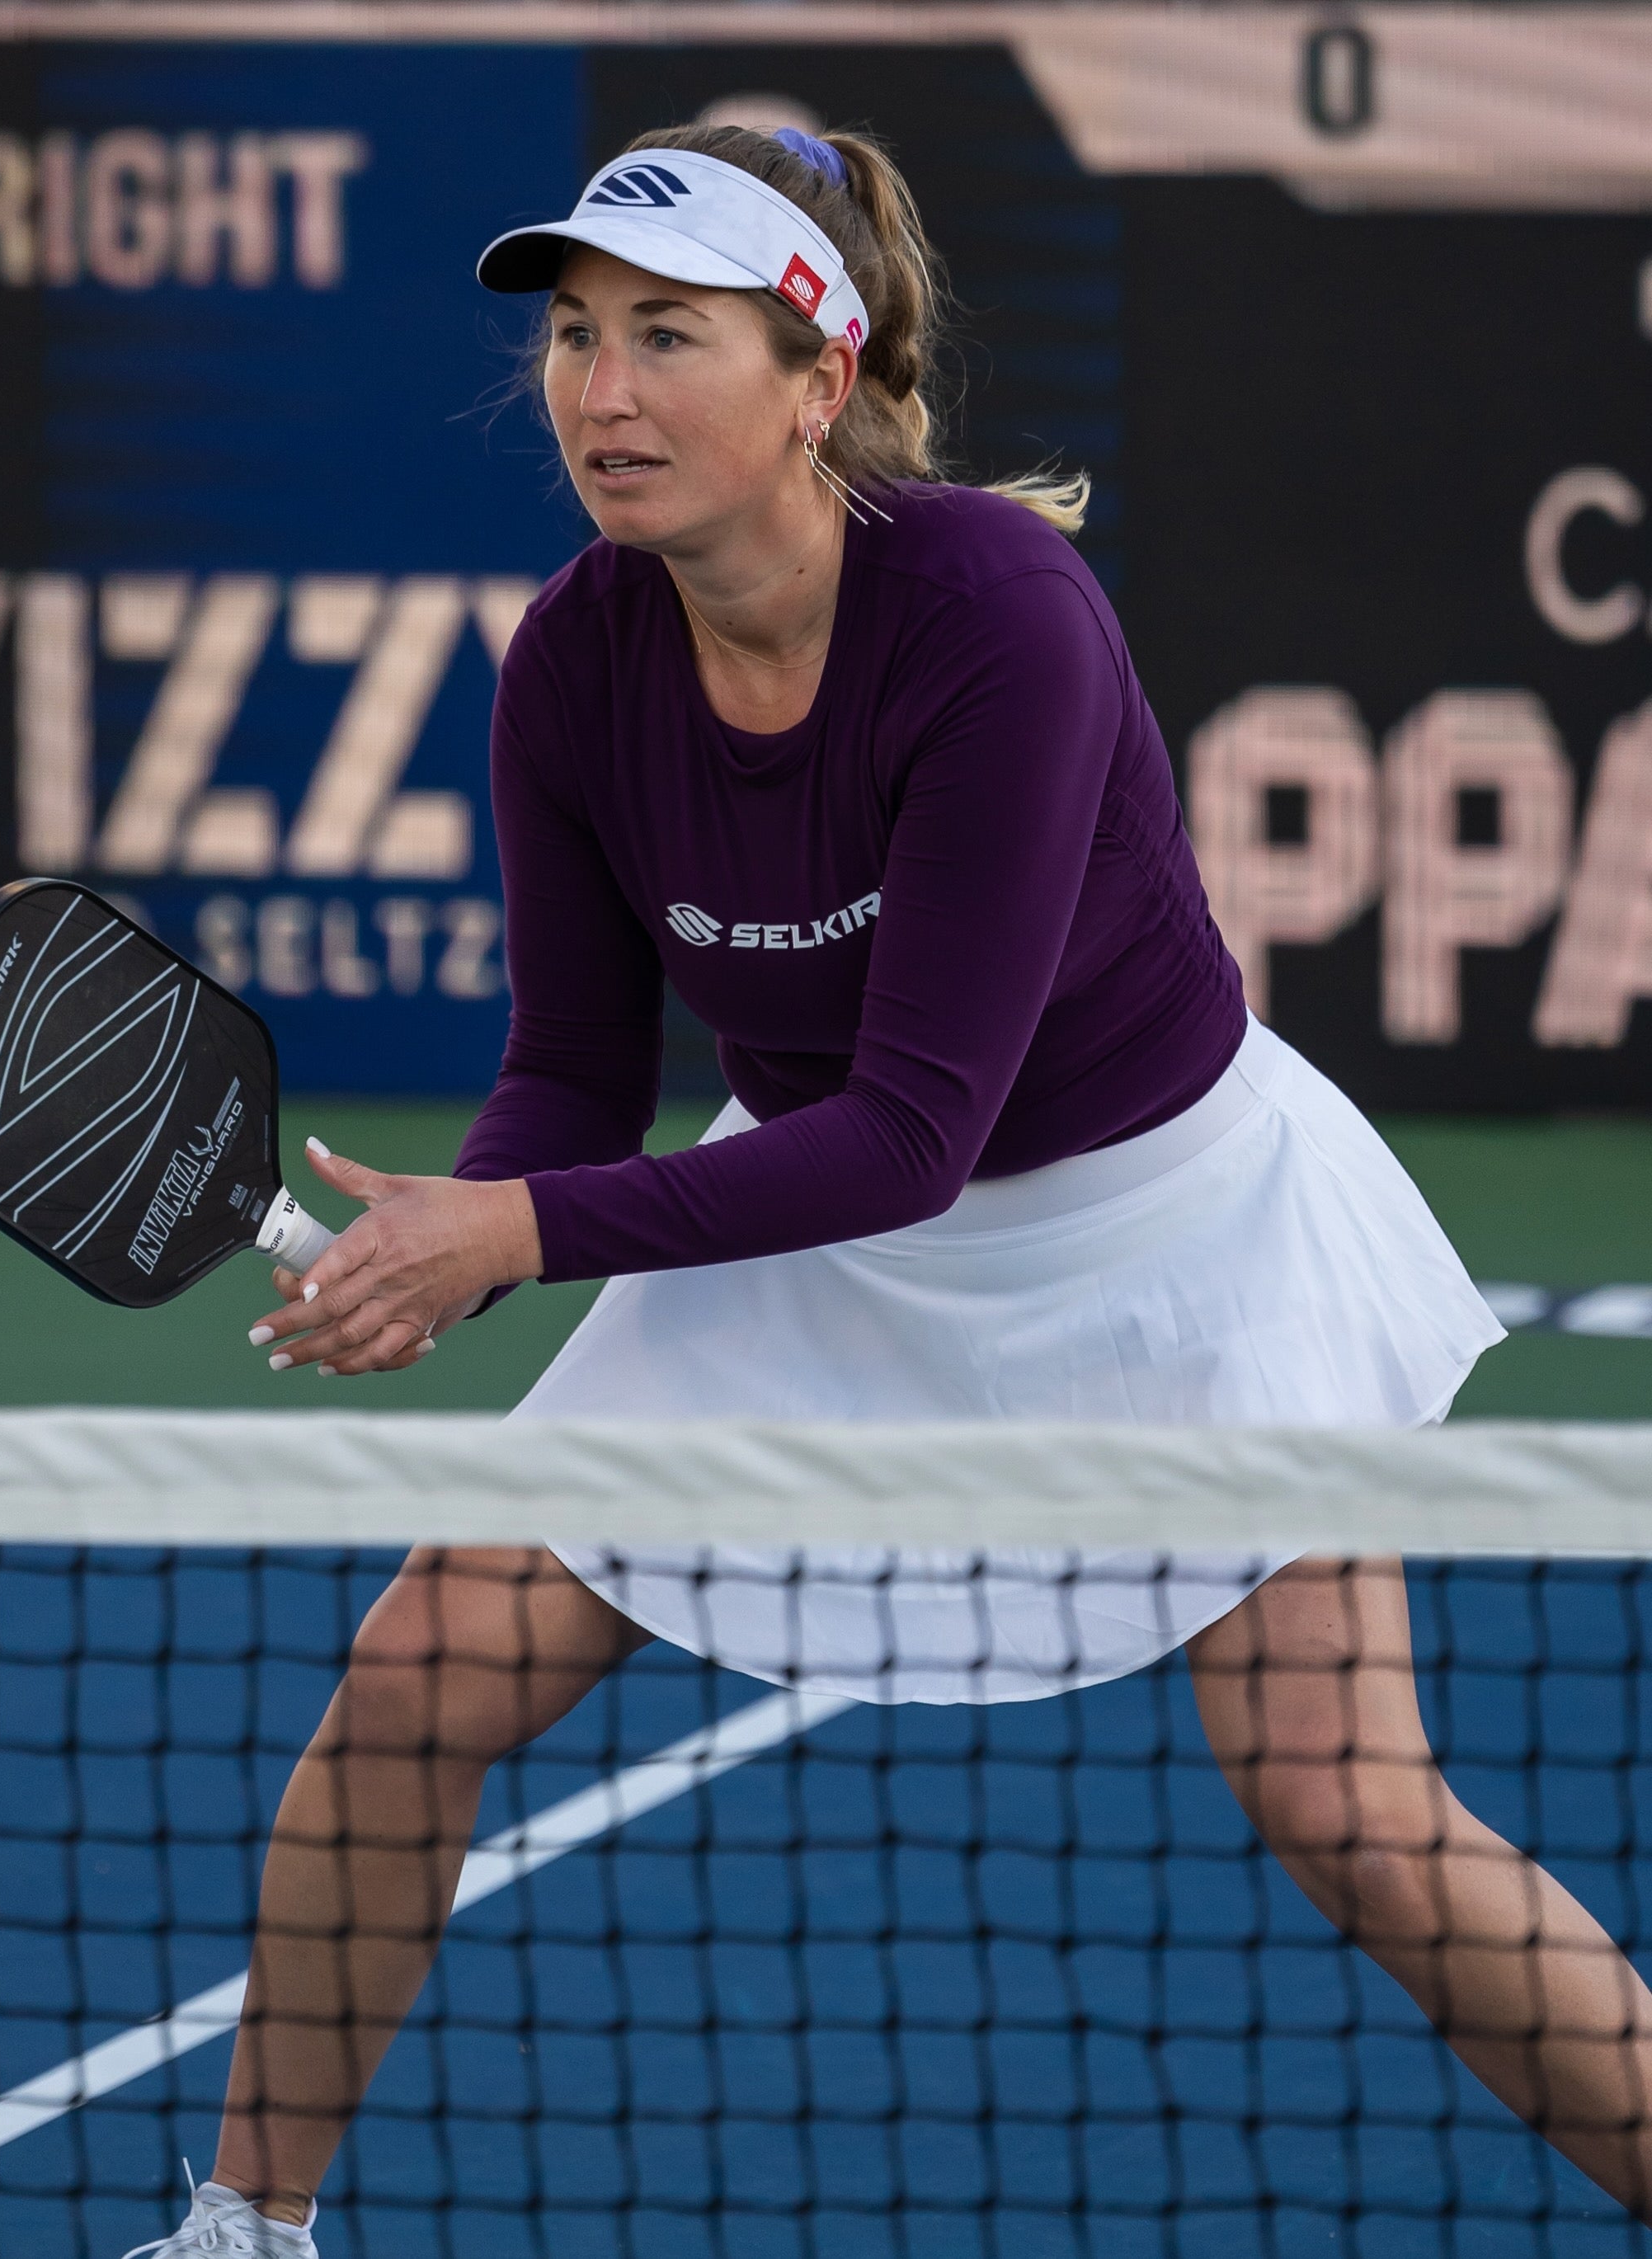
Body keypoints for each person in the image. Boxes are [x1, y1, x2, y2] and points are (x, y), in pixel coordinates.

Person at [126, 125, 1650, 2257]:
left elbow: (918, 1126)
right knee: (417, 1674)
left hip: (1165, 1235)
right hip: (816, 1228)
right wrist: (459, 1231)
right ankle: (243, 2228)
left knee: (1356, 1812)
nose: (602, 390)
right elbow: (578, 1068)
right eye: (575, 338)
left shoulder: (1004, 618)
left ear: (817, 379)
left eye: (669, 336)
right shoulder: (572, 662)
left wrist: (527, 1233)